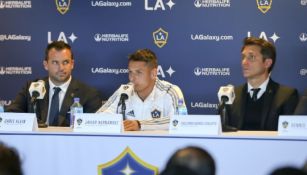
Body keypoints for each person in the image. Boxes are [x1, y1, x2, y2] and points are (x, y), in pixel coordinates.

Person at [5, 41, 103, 126]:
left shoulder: (88, 94)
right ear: (46, 65)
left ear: (72, 64)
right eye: (55, 62)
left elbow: (93, 128)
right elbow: (11, 115)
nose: (61, 68)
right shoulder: (31, 88)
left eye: (65, 62)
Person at [97, 49, 186, 131]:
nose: (132, 78)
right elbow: (99, 117)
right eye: (130, 72)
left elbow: (180, 121)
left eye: (138, 72)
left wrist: (140, 124)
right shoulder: (124, 91)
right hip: (127, 147)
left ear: (153, 73)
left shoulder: (170, 91)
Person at [226, 37, 298, 131]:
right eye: (243, 57)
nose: (244, 62)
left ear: (267, 63)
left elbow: (290, 135)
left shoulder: (286, 96)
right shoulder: (231, 94)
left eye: (251, 57)